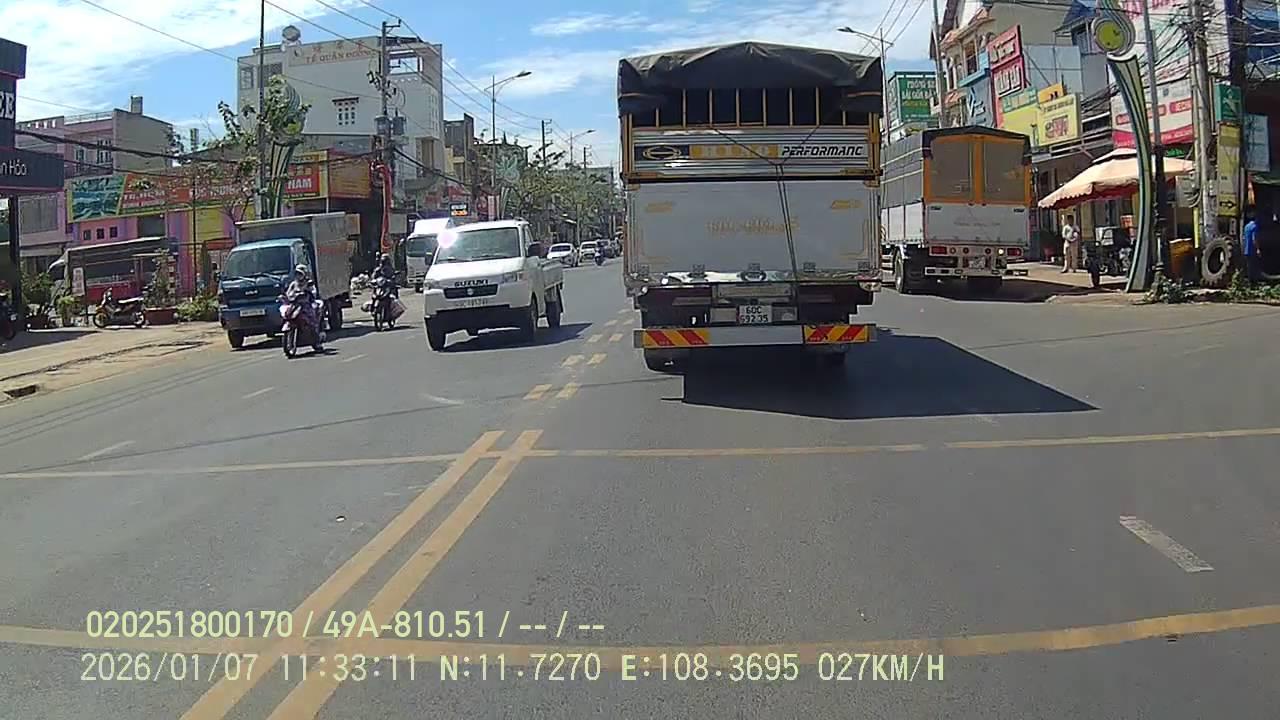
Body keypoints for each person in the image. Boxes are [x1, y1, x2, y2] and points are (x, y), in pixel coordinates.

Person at [285, 264, 321, 331]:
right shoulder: (293, 284)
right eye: (297, 274)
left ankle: (316, 330)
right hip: (296, 304)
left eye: (300, 274)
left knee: (312, 312)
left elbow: (313, 292)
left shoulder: (308, 283)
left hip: (307, 303)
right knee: (288, 313)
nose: (298, 276)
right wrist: (287, 296)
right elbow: (288, 292)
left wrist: (308, 291)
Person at [1243, 208, 1262, 282]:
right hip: (1252, 250)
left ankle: (1249, 282)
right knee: (1254, 267)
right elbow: (1254, 239)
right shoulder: (1255, 226)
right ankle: (1253, 282)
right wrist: (1258, 249)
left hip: (1246, 250)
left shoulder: (1246, 226)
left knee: (1249, 267)